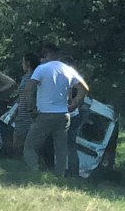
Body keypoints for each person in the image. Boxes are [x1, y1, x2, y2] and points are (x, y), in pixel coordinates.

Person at [24, 43, 88, 176]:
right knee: (61, 148)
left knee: (30, 146)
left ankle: (34, 172)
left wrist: (32, 108)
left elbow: (29, 89)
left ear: (47, 54)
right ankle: (59, 176)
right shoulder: (68, 69)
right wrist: (74, 105)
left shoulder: (41, 69)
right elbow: (83, 89)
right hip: (64, 114)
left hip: (45, 114)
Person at [13, 52, 41, 156]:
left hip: (28, 114)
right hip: (21, 113)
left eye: (23, 62)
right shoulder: (25, 77)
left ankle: (21, 162)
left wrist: (31, 109)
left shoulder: (34, 77)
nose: (22, 64)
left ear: (28, 63)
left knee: (21, 141)